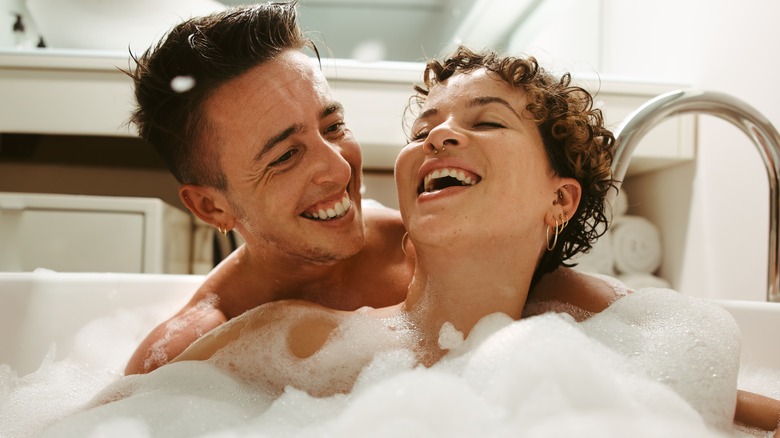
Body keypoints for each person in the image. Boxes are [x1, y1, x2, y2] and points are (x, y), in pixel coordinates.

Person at [172, 46, 780, 434]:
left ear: (559, 201)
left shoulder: (598, 345)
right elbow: (129, 412)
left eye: (486, 121)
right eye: (423, 128)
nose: (438, 139)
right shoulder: (296, 341)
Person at [122, 1, 619, 376]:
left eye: (333, 126)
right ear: (212, 206)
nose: (338, 170)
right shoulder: (198, 357)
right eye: (286, 156)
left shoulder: (441, 243)